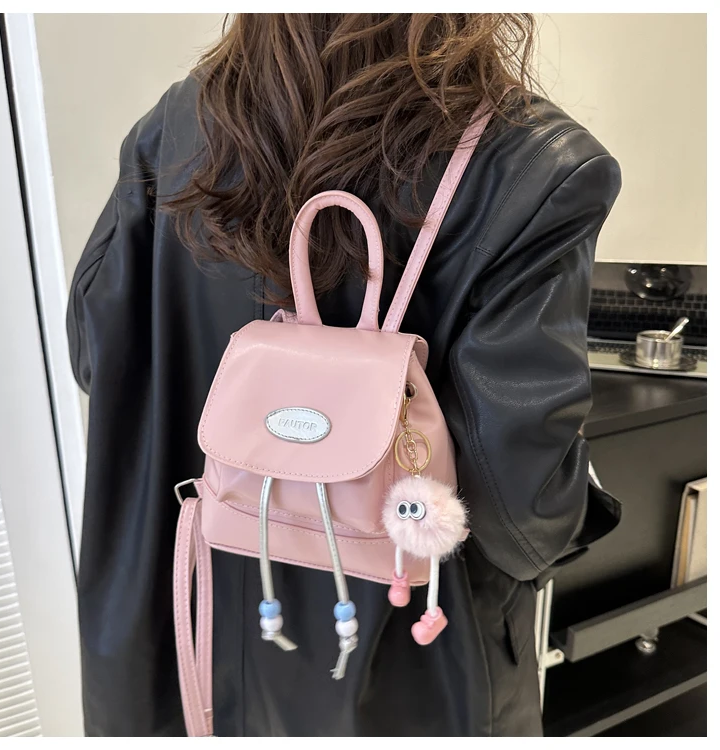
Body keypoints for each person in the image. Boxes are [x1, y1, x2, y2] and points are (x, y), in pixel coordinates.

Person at [67, 13, 621, 737]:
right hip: (406, 664)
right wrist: (588, 509)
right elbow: (524, 512)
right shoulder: (533, 162)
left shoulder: (179, 124)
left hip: (187, 631)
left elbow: (96, 355)